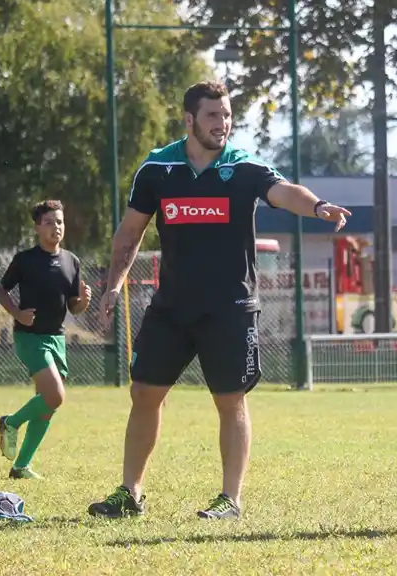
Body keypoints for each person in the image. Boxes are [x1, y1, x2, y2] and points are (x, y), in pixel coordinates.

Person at [87, 80, 351, 520]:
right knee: (144, 393)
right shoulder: (157, 169)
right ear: (189, 119)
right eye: (213, 115)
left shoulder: (242, 167)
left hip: (230, 307)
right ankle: (130, 493)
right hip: (171, 305)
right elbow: (130, 234)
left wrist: (319, 206)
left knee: (230, 400)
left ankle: (230, 498)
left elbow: (285, 193)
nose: (222, 124)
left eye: (226, 115)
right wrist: (114, 284)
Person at [0, 199, 92, 479]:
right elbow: (1, 291)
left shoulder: (72, 261)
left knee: (47, 407)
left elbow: (74, 307)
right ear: (37, 227)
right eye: (49, 222)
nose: (56, 227)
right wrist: (17, 313)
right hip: (30, 338)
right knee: (55, 396)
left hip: (56, 339)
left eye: (59, 222)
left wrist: (84, 302)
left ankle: (21, 466)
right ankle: (10, 423)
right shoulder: (25, 260)